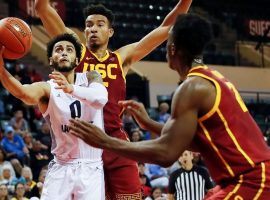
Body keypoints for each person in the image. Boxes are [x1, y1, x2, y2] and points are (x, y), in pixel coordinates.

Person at [69, 14, 270, 199]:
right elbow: (194, 142)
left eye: (167, 44)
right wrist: (150, 124)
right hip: (251, 176)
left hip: (252, 179)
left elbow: (166, 153)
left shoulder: (191, 88)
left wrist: (105, 141)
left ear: (172, 49)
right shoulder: (211, 78)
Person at [35, 0, 192, 199]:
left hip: (115, 139)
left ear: (110, 32)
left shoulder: (121, 58)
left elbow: (167, 27)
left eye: (100, 24)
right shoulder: (77, 52)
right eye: (89, 25)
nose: (93, 28)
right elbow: (42, 9)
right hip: (83, 144)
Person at [0, 33, 108, 199]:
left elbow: (100, 99)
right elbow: (23, 93)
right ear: (51, 60)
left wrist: (71, 89)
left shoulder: (91, 76)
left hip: (91, 168)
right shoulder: (47, 88)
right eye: (59, 49)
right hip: (62, 167)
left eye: (69, 49)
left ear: (77, 60)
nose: (64, 52)